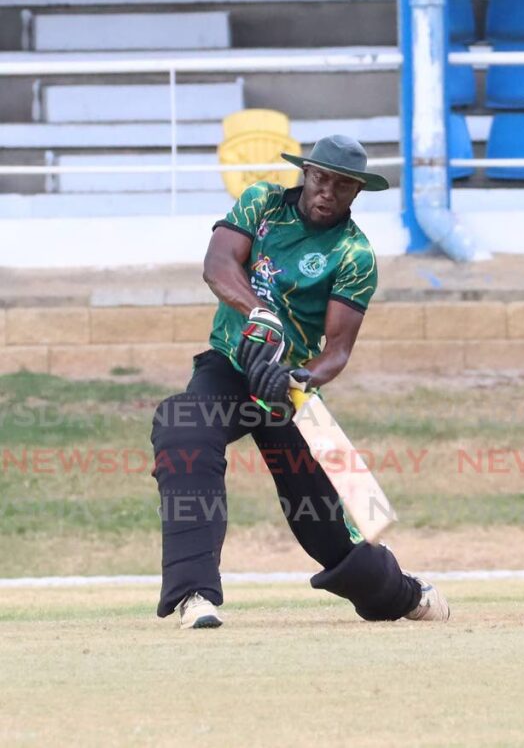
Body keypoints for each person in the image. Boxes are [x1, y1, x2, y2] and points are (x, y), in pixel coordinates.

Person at [150, 134, 449, 629]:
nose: (327, 192)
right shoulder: (262, 202)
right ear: (305, 174)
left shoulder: (354, 254)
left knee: (327, 531)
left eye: (342, 185)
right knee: (182, 429)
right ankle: (195, 596)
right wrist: (259, 313)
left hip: (286, 390)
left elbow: (338, 350)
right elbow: (217, 263)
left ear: (357, 193)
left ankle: (404, 593)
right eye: (321, 178)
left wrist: (299, 374)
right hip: (230, 366)